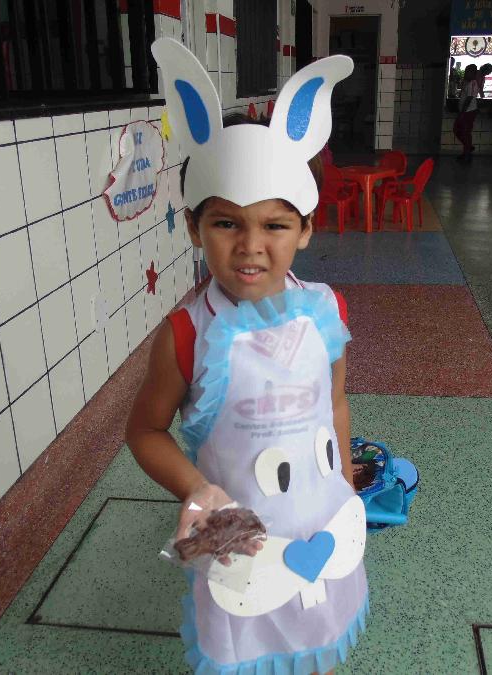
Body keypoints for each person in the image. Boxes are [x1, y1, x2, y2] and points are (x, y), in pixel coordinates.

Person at [130, 37, 367, 675]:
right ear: (193, 227)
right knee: (244, 650)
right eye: (227, 223)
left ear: (307, 229)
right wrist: (195, 488)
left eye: (275, 225)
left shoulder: (326, 311)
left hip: (323, 523)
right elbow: (145, 430)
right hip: (240, 546)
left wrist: (345, 485)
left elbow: (335, 403)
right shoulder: (185, 335)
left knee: (319, 634)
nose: (250, 247)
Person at [455, 64, 480, 163]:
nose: (465, 73)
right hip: (465, 111)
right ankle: (468, 148)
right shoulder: (467, 82)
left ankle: (467, 153)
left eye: (467, 71)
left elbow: (469, 98)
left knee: (465, 132)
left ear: (473, 73)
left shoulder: (473, 83)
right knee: (459, 130)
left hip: (468, 111)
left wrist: (462, 112)